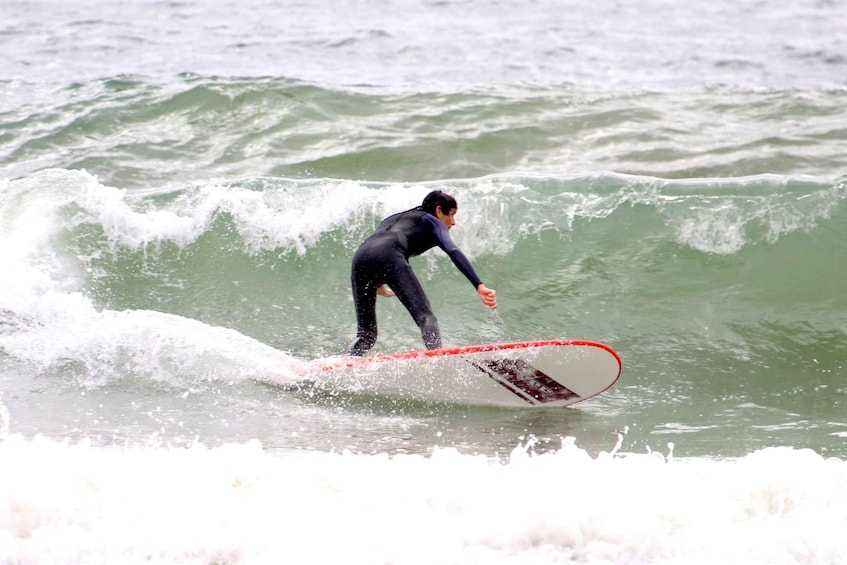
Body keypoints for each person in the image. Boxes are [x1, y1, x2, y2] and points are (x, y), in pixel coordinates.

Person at [348, 190, 497, 356]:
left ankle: (349, 361)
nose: (453, 222)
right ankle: (437, 358)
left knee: (366, 335)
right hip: (390, 256)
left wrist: (377, 282)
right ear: (439, 210)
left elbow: (378, 246)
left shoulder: (392, 219)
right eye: (452, 214)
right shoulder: (432, 220)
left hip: (360, 258)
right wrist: (479, 285)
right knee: (426, 318)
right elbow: (453, 251)